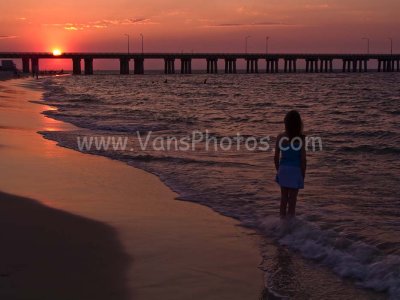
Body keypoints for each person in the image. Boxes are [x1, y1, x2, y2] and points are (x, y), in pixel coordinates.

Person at [274, 110, 307, 218]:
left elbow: (276, 157)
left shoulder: (280, 137)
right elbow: (303, 160)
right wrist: (303, 174)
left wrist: (278, 170)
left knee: (283, 199)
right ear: (299, 123)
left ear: (286, 123)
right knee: (292, 201)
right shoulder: (301, 139)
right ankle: (290, 228)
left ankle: (281, 226)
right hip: (295, 171)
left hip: (283, 169)